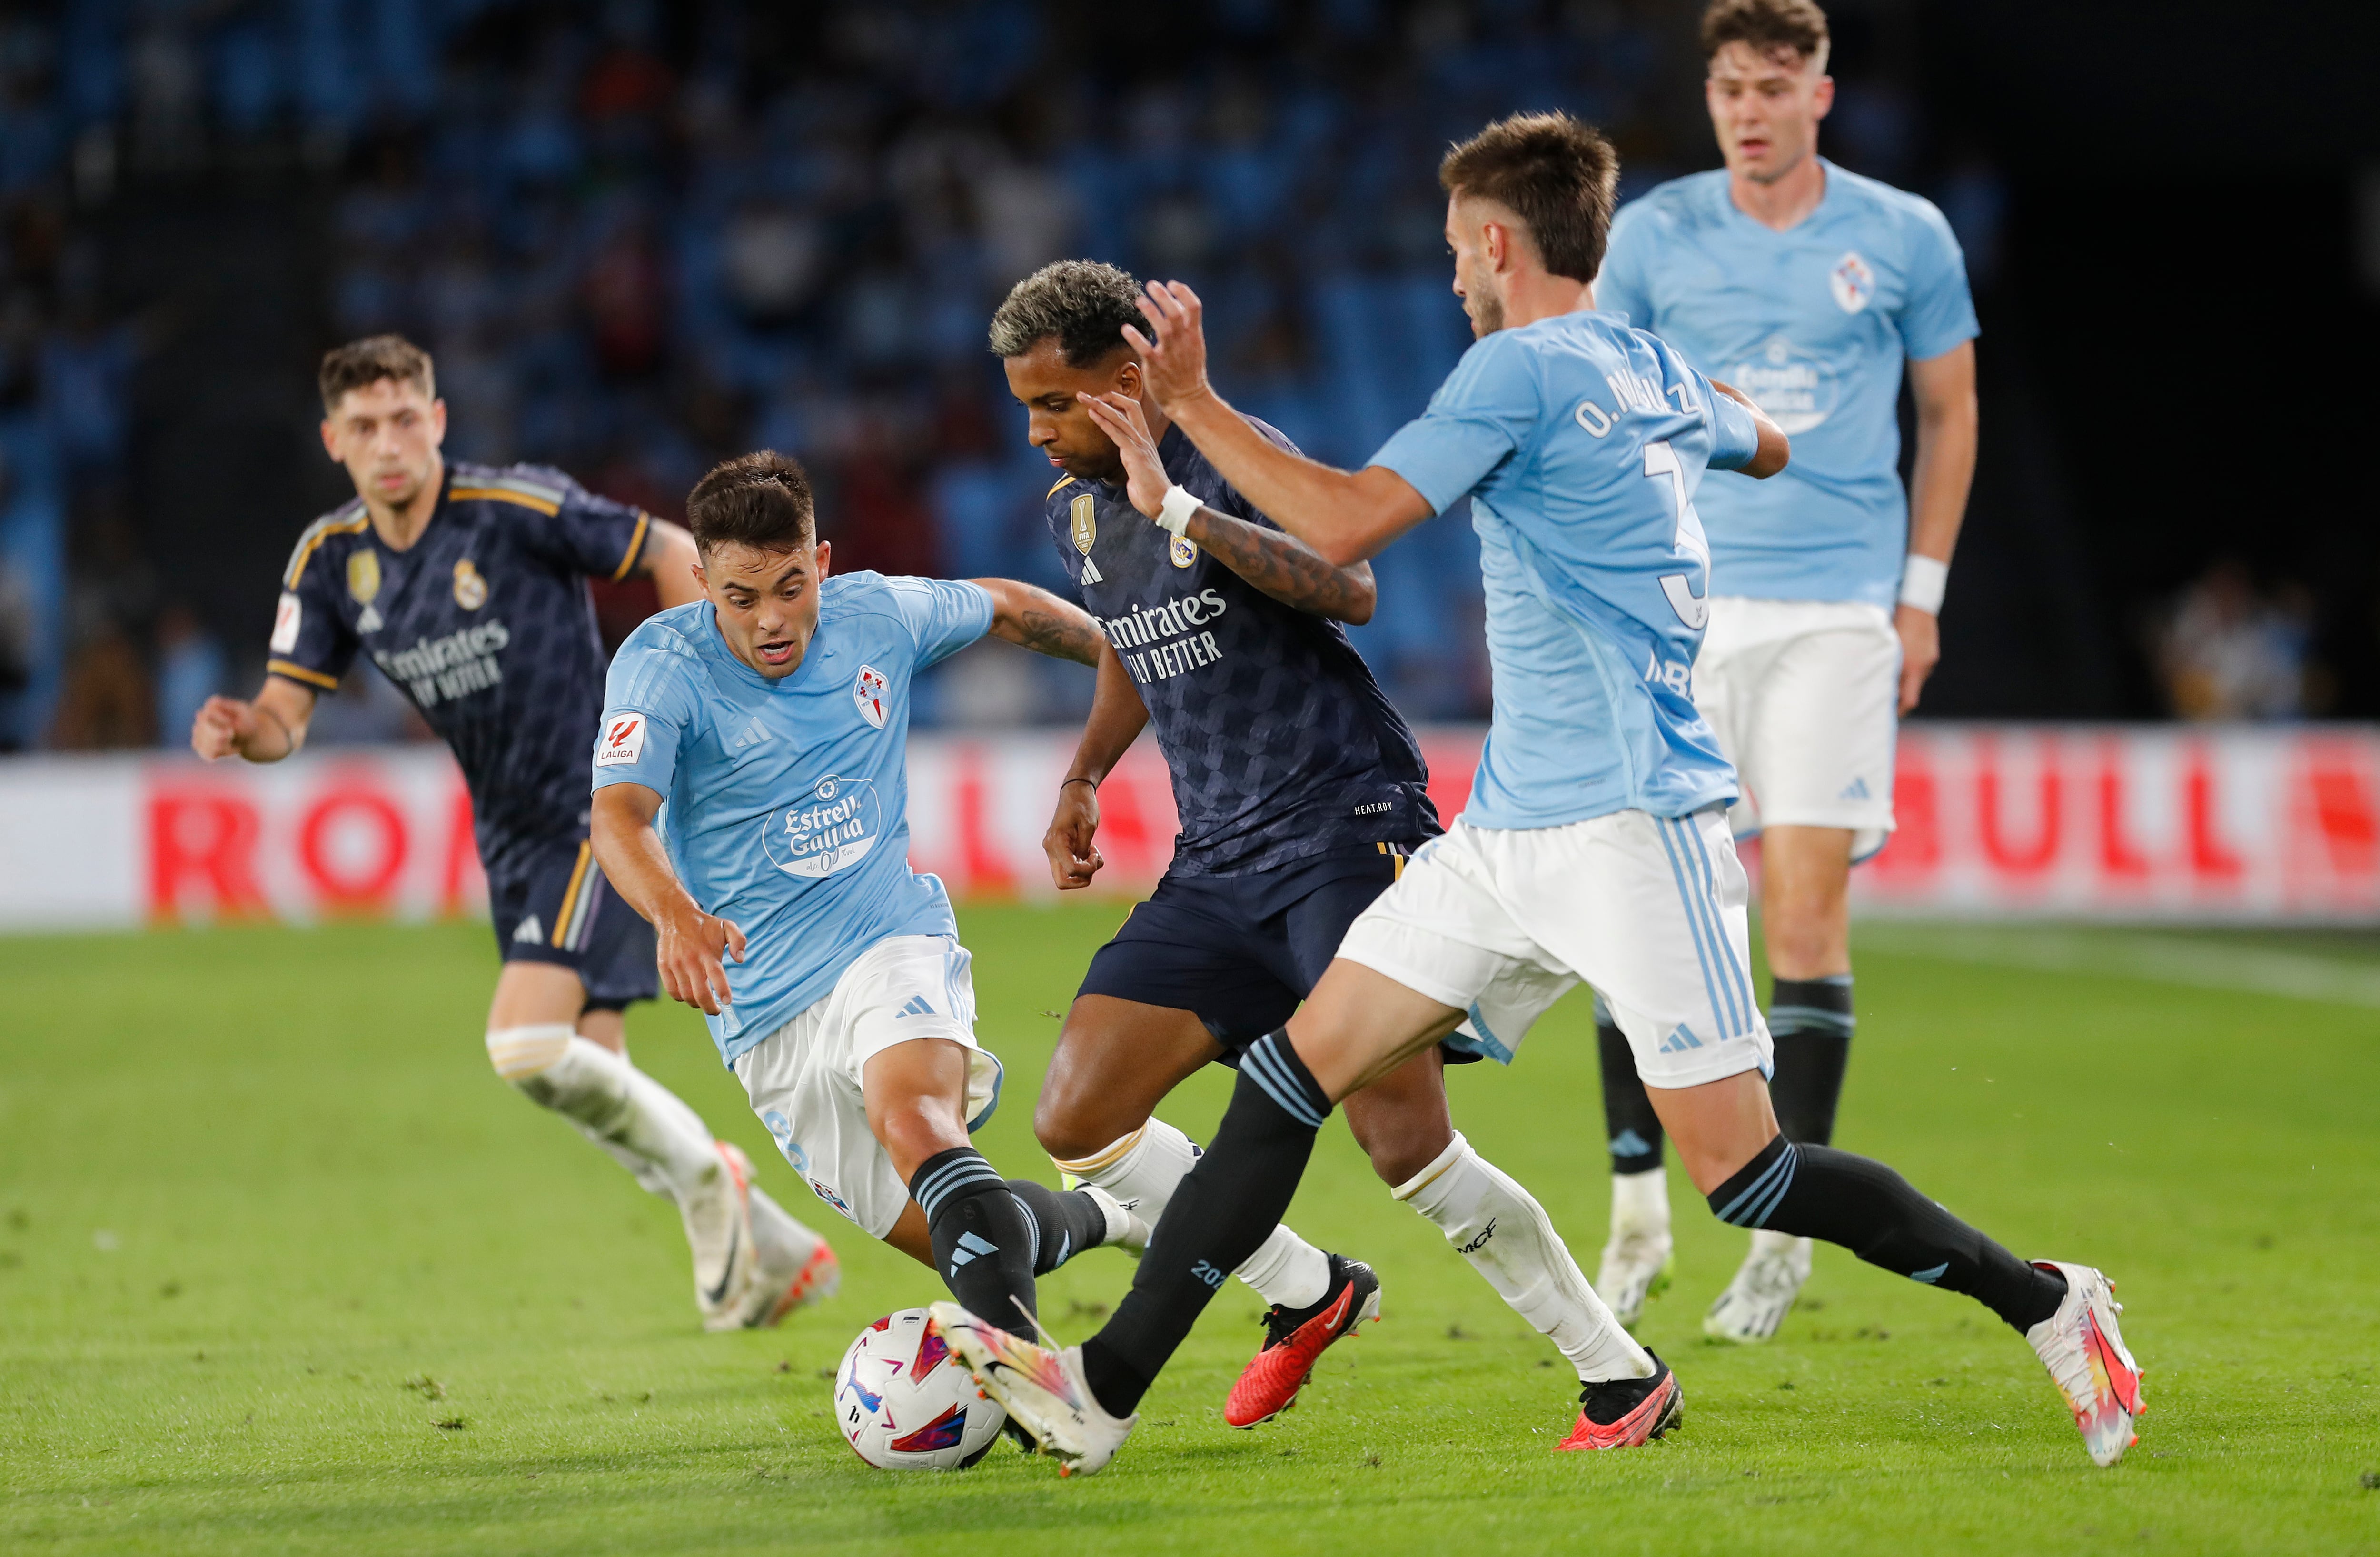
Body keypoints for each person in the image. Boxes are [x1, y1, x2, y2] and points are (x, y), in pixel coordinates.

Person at [933, 112, 2142, 1475]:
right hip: (1506, 829)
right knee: (1286, 1074)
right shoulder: (1645, 365)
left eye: (1458, 249)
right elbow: (1772, 446)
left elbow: (1342, 535)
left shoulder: (1508, 376)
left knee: (1748, 1175)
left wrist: (1195, 420)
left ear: (1499, 245)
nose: (1451, 274)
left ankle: (2048, 1297)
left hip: (1636, 824)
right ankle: (1101, 1389)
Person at [993, 260, 1656, 1432]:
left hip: (1346, 821)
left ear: (1132, 376)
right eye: (1028, 407)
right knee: (1075, 1117)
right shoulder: (1074, 510)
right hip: (1218, 860)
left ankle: (1618, 1367)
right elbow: (1129, 639)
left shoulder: (1229, 452)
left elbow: (1348, 586)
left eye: (1058, 401)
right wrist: (1086, 771)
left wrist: (1183, 507)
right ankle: (1310, 1288)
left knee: (1402, 1138)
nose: (1039, 431)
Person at [190, 335, 838, 1332]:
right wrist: (249, 730)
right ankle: (777, 1242)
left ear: (438, 420)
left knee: (525, 1045)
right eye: (365, 426)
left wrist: (714, 694)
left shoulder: (514, 508)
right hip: (509, 831)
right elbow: (287, 714)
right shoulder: (330, 561)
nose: (390, 441)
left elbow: (671, 551)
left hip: (595, 808)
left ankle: (716, 1185)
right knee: (595, 1081)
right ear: (335, 441)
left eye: (407, 416)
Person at [1585, 0, 1983, 1341]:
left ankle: (1785, 1228)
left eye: (1773, 84)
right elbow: (1597, 405)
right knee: (1642, 904)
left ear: (1821, 91)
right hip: (1684, 608)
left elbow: (1949, 407)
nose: (1748, 108)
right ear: (1709, 99)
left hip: (1833, 615)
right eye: (1727, 87)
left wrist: (1918, 596)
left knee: (1803, 918)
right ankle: (1635, 1196)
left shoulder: (1904, 235)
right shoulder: (1650, 238)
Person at [586, 451, 1146, 1341]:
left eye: (790, 586)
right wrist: (676, 913)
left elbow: (1002, 603)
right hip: (764, 1010)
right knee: (983, 1238)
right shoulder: (662, 664)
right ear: (701, 582)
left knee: (915, 1119)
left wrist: (1131, 651)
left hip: (889, 941)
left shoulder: (876, 614)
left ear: (825, 561)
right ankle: (1114, 1216)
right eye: (741, 597)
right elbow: (619, 812)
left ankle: (1041, 1380)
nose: (772, 619)